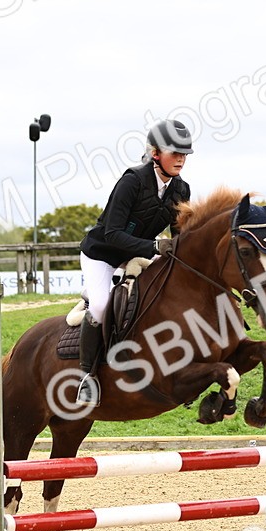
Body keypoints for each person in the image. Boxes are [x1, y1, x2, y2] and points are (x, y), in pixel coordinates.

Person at [75, 119, 193, 407]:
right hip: (102, 255)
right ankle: (86, 377)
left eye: (184, 154)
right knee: (101, 305)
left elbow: (178, 238)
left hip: (137, 253)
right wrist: (154, 246)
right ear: (155, 154)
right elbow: (113, 233)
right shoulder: (132, 181)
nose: (181, 159)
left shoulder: (181, 189)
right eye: (174, 152)